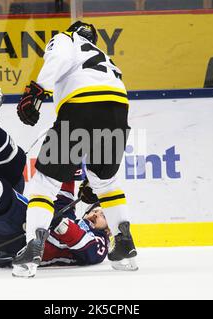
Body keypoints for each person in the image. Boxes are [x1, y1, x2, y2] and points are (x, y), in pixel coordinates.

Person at [14, 21, 138, 277]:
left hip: (82, 106)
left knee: (44, 182)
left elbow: (58, 56)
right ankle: (124, 243)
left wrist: (36, 93)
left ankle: (32, 249)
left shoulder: (66, 38)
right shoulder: (105, 57)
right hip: (118, 111)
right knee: (106, 183)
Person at [0, 88, 110, 269]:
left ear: (109, 228)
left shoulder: (101, 243)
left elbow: (88, 249)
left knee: (9, 196)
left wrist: (59, 222)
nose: (96, 213)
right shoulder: (70, 216)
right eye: (97, 210)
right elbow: (60, 190)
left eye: (103, 215)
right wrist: (71, 157)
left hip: (18, 241)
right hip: (5, 225)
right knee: (15, 162)